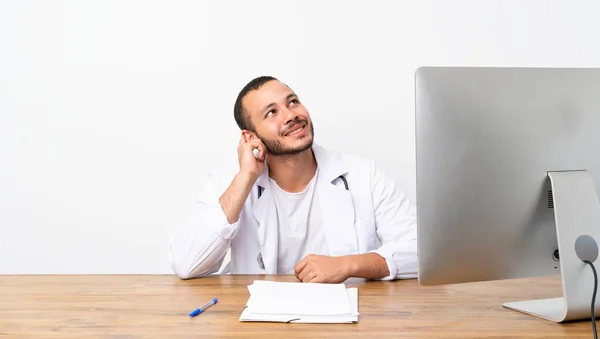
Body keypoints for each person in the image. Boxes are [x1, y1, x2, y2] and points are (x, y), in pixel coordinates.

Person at [168, 76, 417, 283]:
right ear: (249, 136)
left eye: (293, 102)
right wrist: (246, 177)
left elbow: (421, 251)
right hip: (258, 324)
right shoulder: (230, 184)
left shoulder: (362, 174)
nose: (290, 115)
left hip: (345, 321)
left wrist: (349, 265)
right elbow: (186, 262)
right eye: (272, 112)